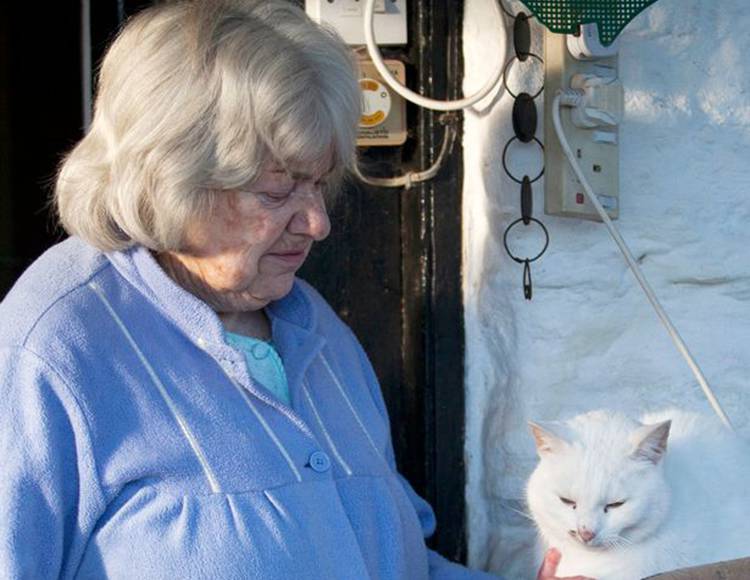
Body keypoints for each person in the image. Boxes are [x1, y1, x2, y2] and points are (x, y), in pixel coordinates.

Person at [0, 1, 589, 578]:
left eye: (319, 184)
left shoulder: (315, 329)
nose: (318, 223)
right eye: (278, 191)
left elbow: (392, 562)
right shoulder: (54, 347)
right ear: (169, 178)